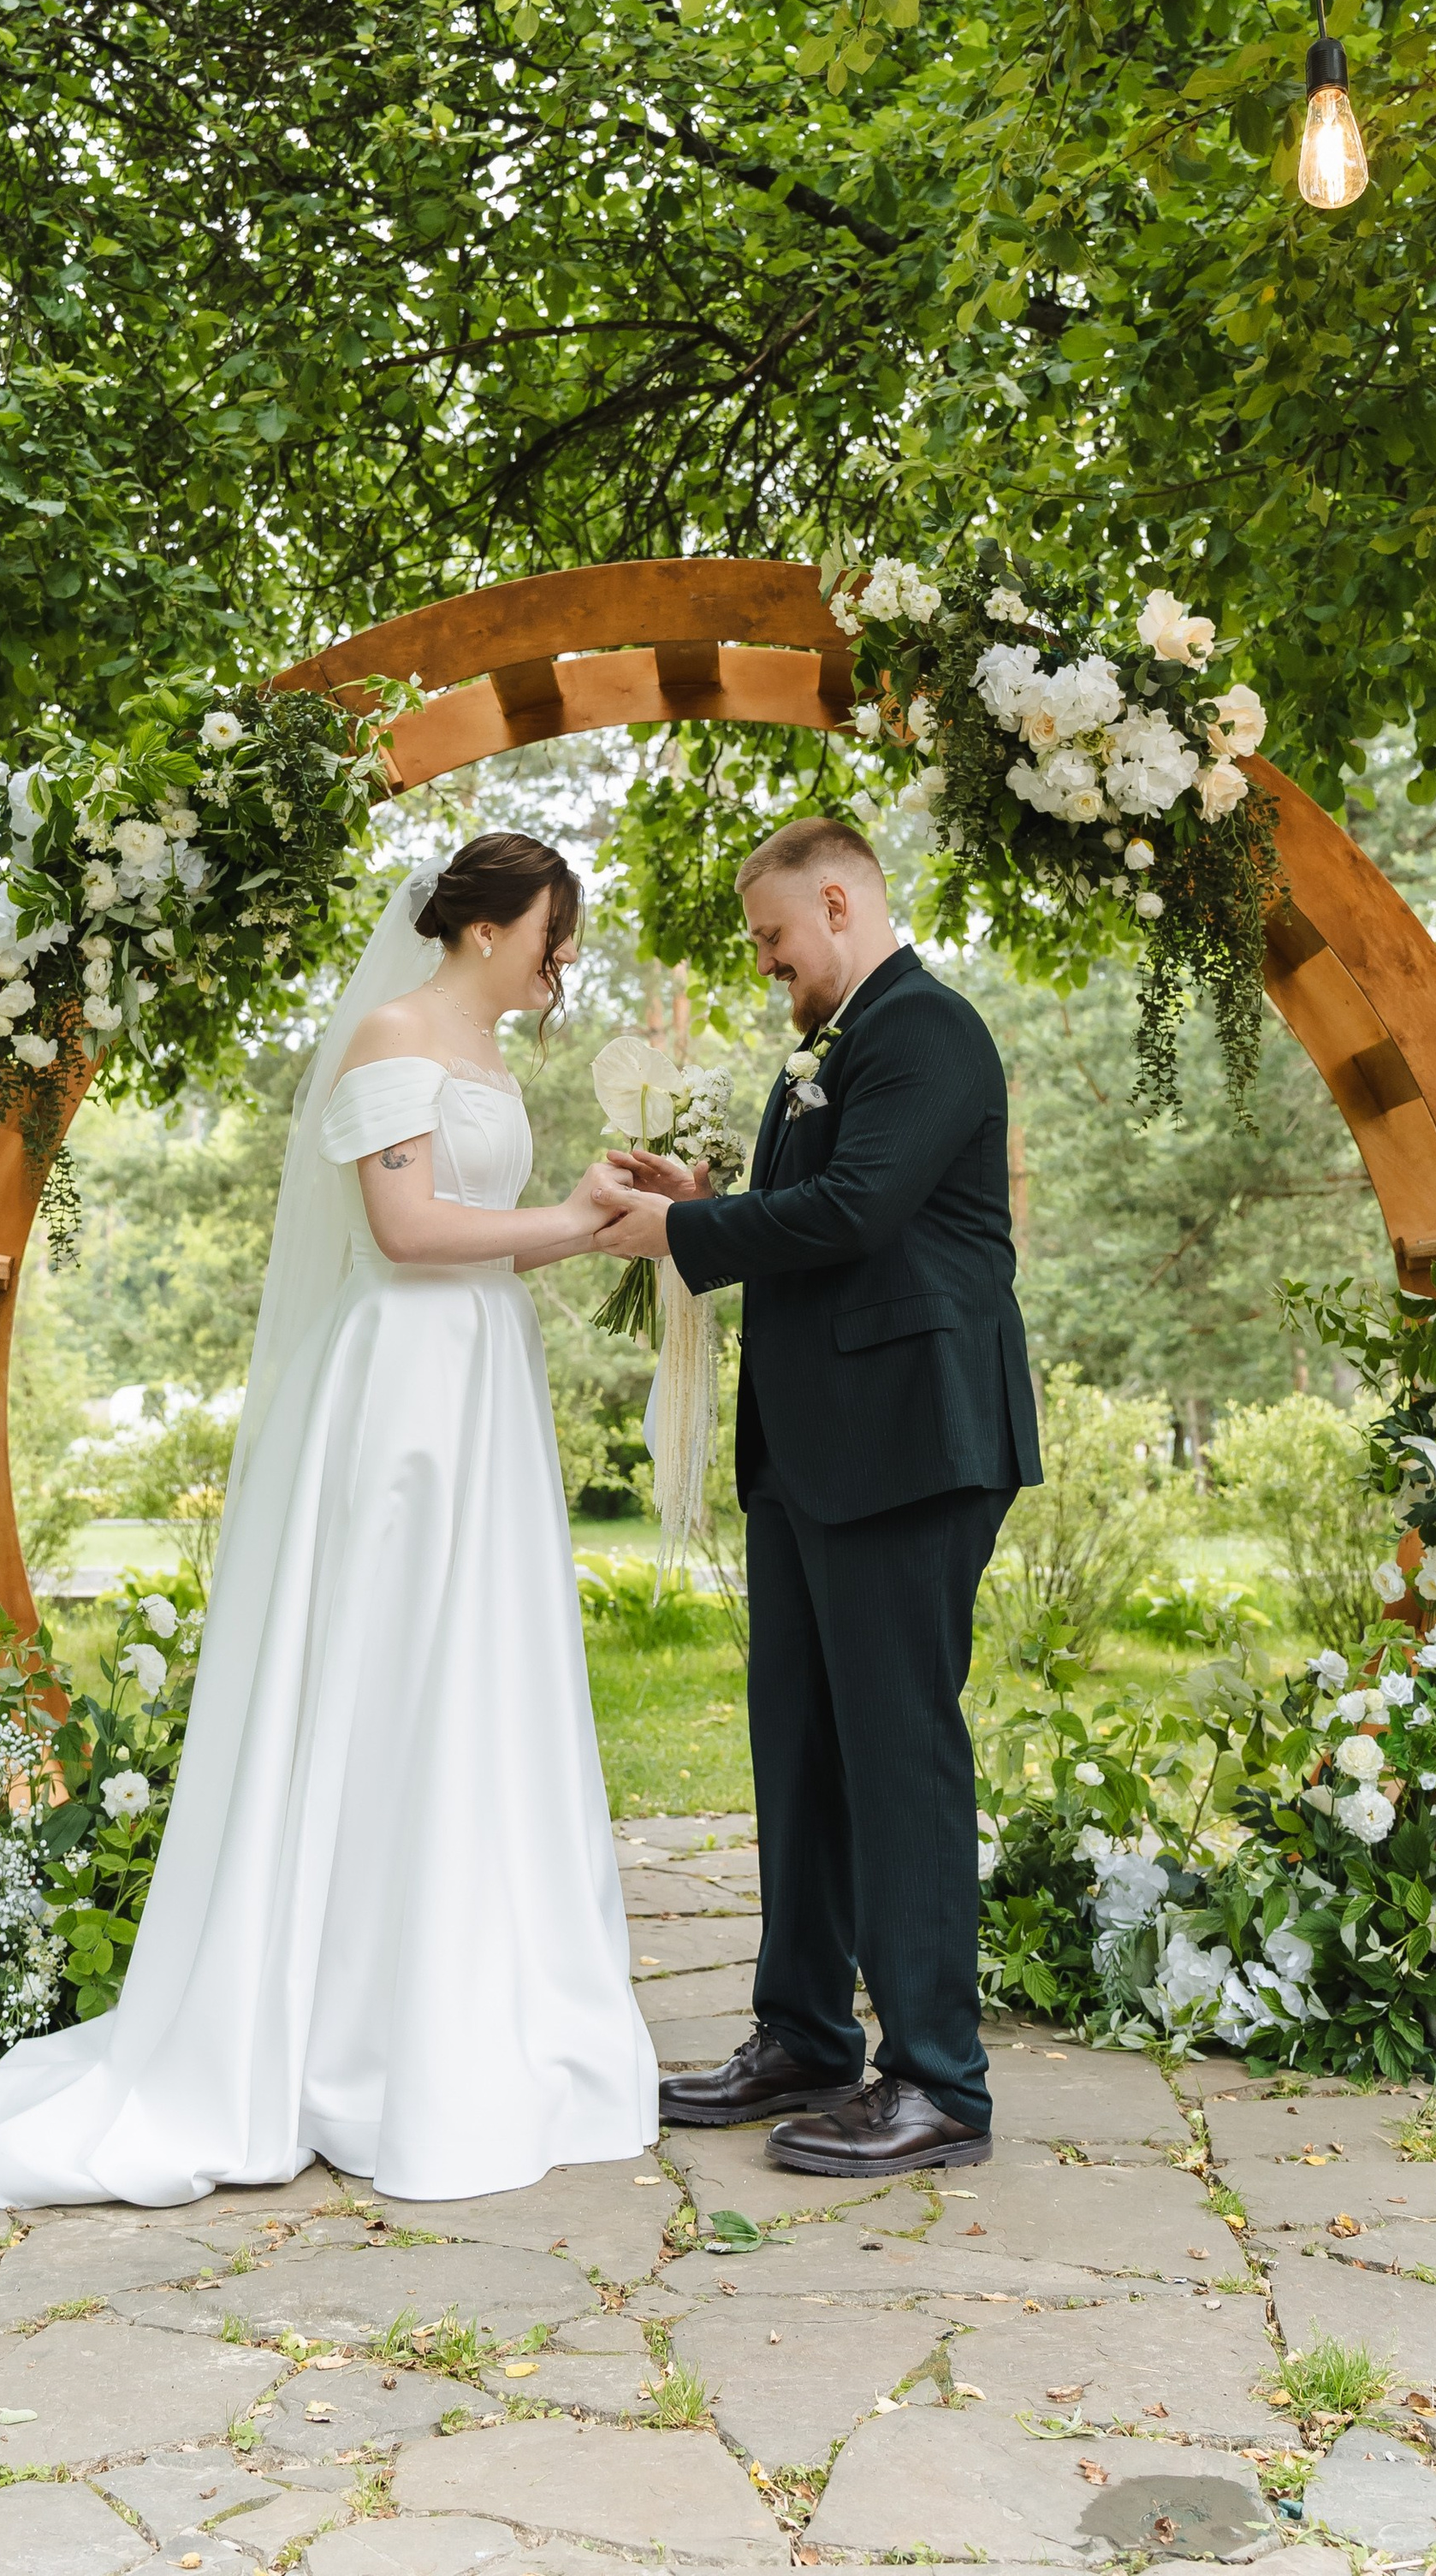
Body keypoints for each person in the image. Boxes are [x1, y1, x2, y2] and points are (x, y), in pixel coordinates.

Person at [0, 832, 656, 2209]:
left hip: (482, 1374)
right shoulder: (393, 1032)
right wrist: (559, 1218)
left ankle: (465, 1995)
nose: (564, 961)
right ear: (492, 926)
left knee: (473, 1674)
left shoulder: (488, 1055)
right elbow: (404, 1231)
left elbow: (490, 1224)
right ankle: (341, 2032)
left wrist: (601, 1221)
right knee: (386, 1672)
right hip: (403, 1385)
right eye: (555, 932)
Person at [597, 815, 1038, 2176]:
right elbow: (819, 1214)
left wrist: (681, 1231)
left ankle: (938, 2086)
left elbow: (856, 1212)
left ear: (838, 903)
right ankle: (801, 2034)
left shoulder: (928, 1029)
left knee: (898, 1758)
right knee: (796, 1748)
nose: (770, 966)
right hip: (814, 1454)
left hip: (911, 1445)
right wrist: (707, 1197)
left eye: (777, 939)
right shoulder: (840, 1047)